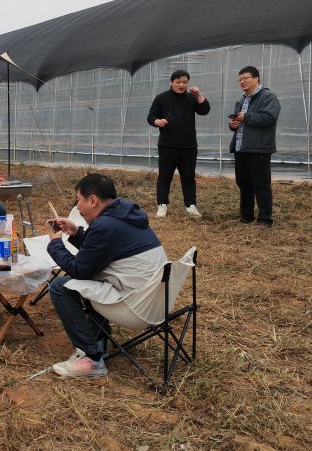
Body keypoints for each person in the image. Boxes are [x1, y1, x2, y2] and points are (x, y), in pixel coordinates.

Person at [46, 174, 167, 378]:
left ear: (93, 200)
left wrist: (55, 242)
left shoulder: (105, 226)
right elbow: (100, 253)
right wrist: (75, 232)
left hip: (136, 307)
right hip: (158, 303)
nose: (77, 207)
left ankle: (90, 357)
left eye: (78, 200)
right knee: (93, 279)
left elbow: (79, 269)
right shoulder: (125, 215)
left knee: (60, 286)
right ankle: (100, 342)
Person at [147, 69, 211, 218]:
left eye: (184, 82)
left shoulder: (191, 98)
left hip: (188, 146)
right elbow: (151, 116)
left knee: (188, 178)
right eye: (178, 82)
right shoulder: (162, 98)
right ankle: (162, 205)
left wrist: (199, 95)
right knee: (164, 177)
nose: (181, 85)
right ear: (171, 82)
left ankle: (191, 205)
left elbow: (204, 110)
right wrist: (157, 121)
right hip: (167, 145)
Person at [228, 66, 281, 228]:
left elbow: (269, 118)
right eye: (240, 80)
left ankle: (265, 219)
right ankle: (246, 216)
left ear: (256, 78)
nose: (242, 82)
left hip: (259, 148)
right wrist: (233, 124)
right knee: (243, 183)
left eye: (245, 78)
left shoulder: (268, 97)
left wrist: (246, 117)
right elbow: (240, 122)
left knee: (261, 184)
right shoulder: (242, 100)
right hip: (241, 147)